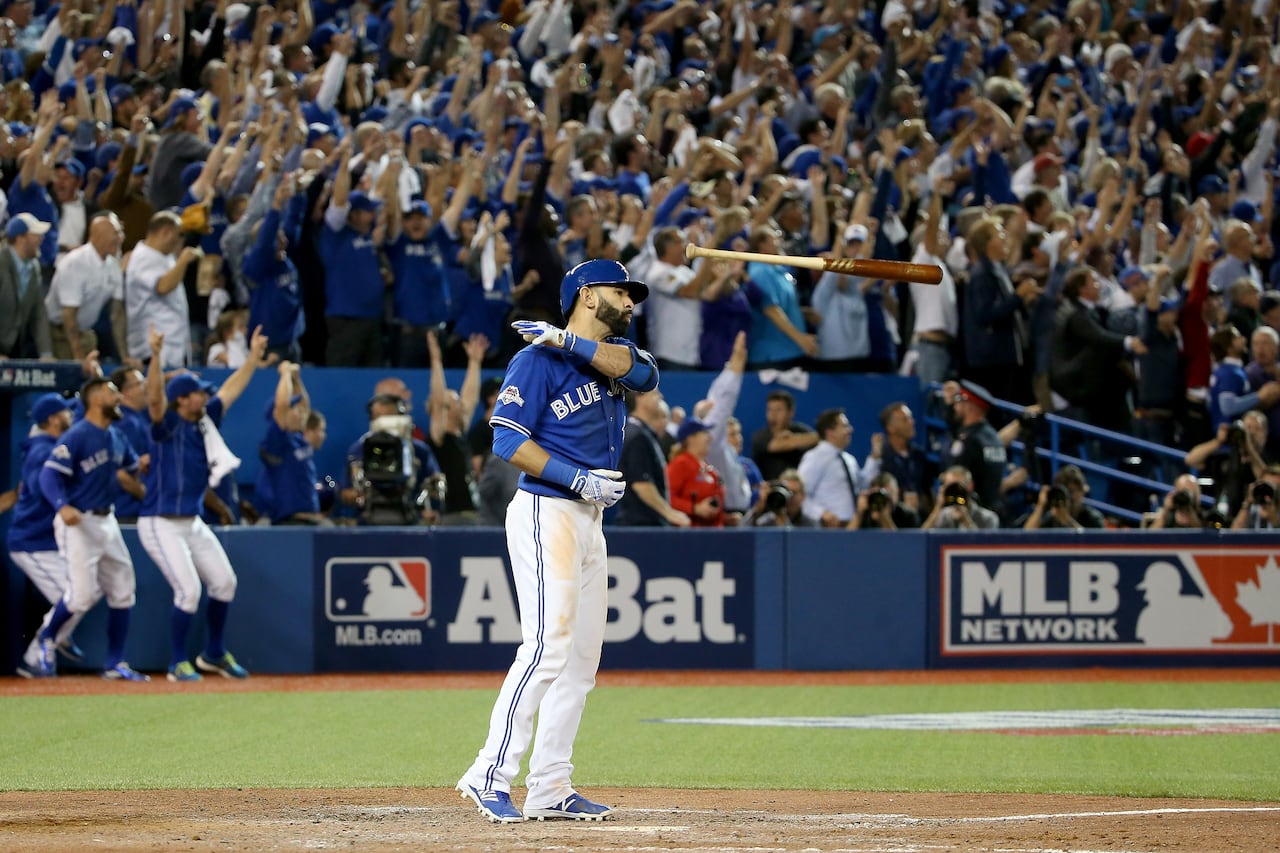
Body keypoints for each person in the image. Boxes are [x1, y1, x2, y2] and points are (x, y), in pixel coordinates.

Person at [457, 258, 656, 823]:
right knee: (546, 646)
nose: (630, 302)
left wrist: (569, 339)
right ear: (589, 294)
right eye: (621, 291)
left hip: (590, 520)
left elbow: (645, 376)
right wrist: (576, 477)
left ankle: (549, 786)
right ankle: (488, 774)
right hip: (549, 509)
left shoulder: (613, 358)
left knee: (581, 662)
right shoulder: (535, 359)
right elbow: (505, 441)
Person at [137, 324, 266, 682]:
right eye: (197, 394)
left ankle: (213, 654)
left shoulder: (204, 421)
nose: (203, 398)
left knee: (225, 582)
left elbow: (231, 389)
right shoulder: (166, 426)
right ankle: (178, 663)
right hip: (160, 521)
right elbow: (152, 400)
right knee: (189, 590)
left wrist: (253, 358)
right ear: (181, 399)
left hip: (191, 521)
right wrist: (157, 356)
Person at [31, 376, 149, 680]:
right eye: (113, 392)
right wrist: (62, 505)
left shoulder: (116, 435)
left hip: (106, 520)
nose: (119, 397)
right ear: (96, 399)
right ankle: (47, 637)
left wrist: (146, 464)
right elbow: (48, 476)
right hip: (79, 522)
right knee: (81, 596)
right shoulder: (78, 434)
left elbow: (132, 466)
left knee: (123, 590)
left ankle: (114, 663)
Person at [9, 394, 97, 676]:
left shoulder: (55, 445)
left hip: (47, 541)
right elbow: (40, 489)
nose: (70, 416)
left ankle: (57, 634)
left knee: (84, 593)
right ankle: (35, 656)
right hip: (31, 543)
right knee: (74, 595)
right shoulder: (42, 451)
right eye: (64, 412)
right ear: (51, 419)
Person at [44, 212, 127, 363]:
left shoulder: (113, 265)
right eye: (115, 233)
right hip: (58, 334)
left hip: (85, 333)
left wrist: (125, 356)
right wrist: (78, 357)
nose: (121, 238)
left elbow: (117, 314)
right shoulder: (75, 263)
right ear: (98, 235)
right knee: (73, 378)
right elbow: (69, 315)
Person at [424, 329, 487, 524]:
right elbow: (438, 400)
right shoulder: (439, 437)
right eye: (454, 403)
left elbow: (470, 399)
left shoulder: (460, 435)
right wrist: (436, 361)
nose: (460, 405)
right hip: (451, 514)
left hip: (472, 510)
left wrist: (475, 363)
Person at [125, 211, 202, 368]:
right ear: (165, 232)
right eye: (178, 234)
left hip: (170, 345)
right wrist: (183, 260)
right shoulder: (143, 257)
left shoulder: (164, 256)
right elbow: (163, 286)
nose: (180, 240)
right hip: (152, 347)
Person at [256, 362, 328, 525]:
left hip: (309, 520)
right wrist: (285, 374)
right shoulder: (277, 440)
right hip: (289, 522)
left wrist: (296, 379)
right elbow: (282, 405)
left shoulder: (298, 439)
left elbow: (305, 405)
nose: (301, 413)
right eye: (294, 409)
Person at [613, 388, 690, 527]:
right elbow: (641, 484)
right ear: (639, 397)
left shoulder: (641, 433)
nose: (661, 396)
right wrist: (670, 514)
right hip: (641, 527)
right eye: (655, 393)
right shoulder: (637, 436)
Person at [797, 407, 881, 527]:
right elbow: (800, 496)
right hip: (827, 529)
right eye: (845, 426)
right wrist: (821, 514)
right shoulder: (814, 458)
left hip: (854, 526)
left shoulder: (849, 459)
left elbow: (863, 485)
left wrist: (874, 457)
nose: (850, 429)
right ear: (830, 432)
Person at [940, 381, 1009, 519]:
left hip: (971, 514)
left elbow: (957, 476)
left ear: (970, 406)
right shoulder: (993, 437)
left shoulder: (969, 441)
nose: (955, 407)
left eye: (958, 402)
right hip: (995, 510)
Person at [0, 212, 53, 358]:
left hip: (15, 349)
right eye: (35, 234)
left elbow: (39, 314)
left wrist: (46, 354)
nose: (41, 239)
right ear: (21, 238)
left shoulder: (34, 267)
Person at [666, 417, 726, 528]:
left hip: (712, 535)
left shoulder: (710, 469)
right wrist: (695, 508)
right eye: (705, 433)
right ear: (690, 438)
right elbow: (666, 498)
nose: (710, 437)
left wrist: (726, 518)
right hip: (688, 537)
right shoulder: (680, 464)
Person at [750, 389, 819, 482]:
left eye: (778, 410)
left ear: (791, 412)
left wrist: (793, 438)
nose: (773, 415)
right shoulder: (760, 436)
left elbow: (820, 440)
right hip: (770, 491)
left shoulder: (800, 430)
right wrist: (794, 440)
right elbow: (776, 446)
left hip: (799, 490)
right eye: (769, 410)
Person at [1019, 464, 1106, 530]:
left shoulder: (1093, 518)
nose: (1069, 497)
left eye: (1072, 491)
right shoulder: (1052, 516)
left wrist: (1067, 520)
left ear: (1082, 491)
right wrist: (1040, 506)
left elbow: (1095, 546)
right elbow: (1027, 536)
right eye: (1066, 491)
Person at [921, 465, 1001, 530]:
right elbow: (921, 540)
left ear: (970, 487)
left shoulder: (988, 518)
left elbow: (984, 547)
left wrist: (966, 520)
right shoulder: (942, 516)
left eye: (958, 487)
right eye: (951, 487)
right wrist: (938, 507)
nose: (955, 492)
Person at [742, 468, 814, 528]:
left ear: (803, 496)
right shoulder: (767, 520)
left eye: (794, 493)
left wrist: (783, 520)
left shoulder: (811, 525)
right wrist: (757, 510)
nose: (790, 497)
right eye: (787, 491)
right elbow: (742, 532)